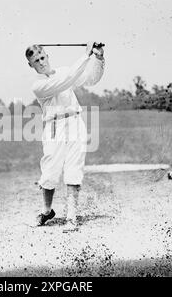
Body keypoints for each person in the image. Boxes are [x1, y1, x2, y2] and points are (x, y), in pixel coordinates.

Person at [25, 41, 105, 230]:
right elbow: (67, 80)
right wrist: (85, 56)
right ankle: (46, 211)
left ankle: (71, 216)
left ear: (47, 55)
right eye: (36, 61)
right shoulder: (38, 85)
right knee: (50, 169)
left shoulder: (63, 71)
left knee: (73, 168)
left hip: (75, 122)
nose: (41, 62)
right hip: (53, 126)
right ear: (31, 65)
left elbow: (91, 79)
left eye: (42, 57)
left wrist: (98, 58)